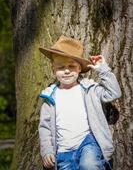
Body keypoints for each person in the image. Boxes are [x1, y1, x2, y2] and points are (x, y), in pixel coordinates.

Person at [38, 35, 121, 170]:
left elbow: (114, 93)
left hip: (88, 143)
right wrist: (47, 151)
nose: (66, 70)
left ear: (79, 69)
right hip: (62, 153)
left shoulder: (89, 89)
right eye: (61, 67)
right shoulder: (49, 97)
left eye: (71, 66)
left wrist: (103, 70)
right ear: (53, 69)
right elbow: (44, 128)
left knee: (89, 165)